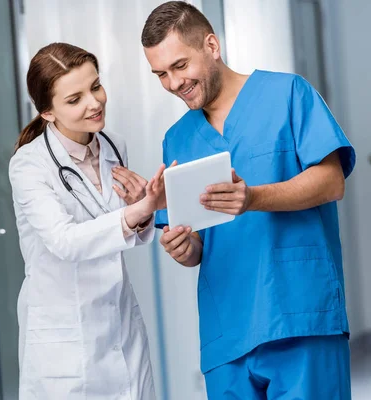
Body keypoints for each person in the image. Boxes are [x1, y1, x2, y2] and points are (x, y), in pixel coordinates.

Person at [141, 2, 356, 399]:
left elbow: (331, 182)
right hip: (228, 333)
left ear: (211, 45)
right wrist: (182, 246)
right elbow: (196, 247)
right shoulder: (177, 139)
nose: (173, 83)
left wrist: (253, 197)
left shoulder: (287, 93)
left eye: (180, 66)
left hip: (300, 313)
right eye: (161, 75)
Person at [9, 42, 166, 400]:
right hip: (64, 340)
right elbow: (65, 241)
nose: (94, 103)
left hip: (119, 327)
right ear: (48, 112)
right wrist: (138, 212)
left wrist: (141, 211)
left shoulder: (113, 145)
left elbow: (120, 229)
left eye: (95, 87)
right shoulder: (29, 165)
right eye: (74, 98)